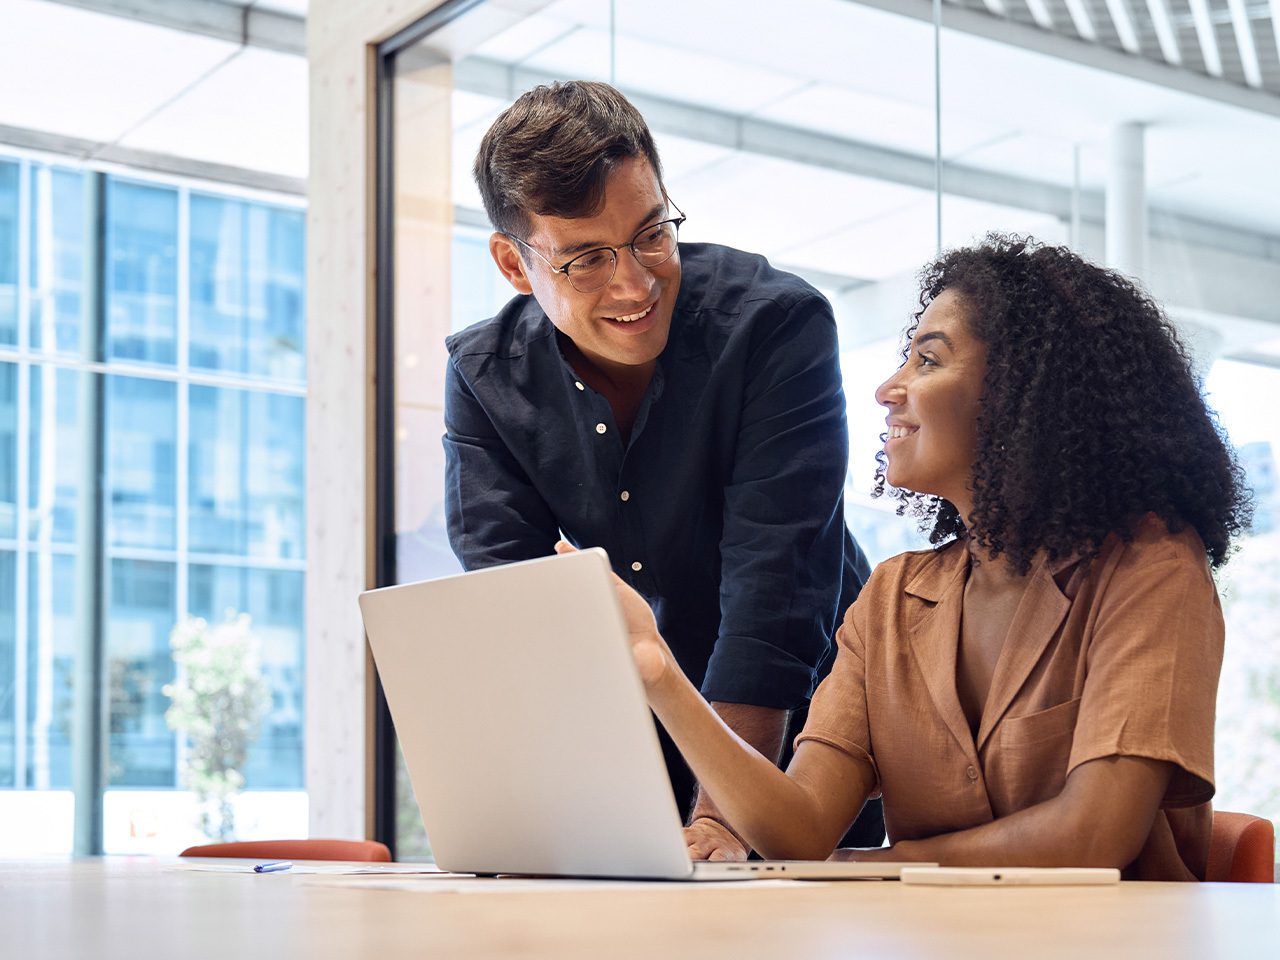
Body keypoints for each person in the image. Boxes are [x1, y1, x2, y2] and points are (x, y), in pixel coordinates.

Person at [587, 235, 1250, 879]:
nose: (888, 388)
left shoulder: (1150, 565)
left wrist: (889, 865)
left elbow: (1094, 835)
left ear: (1023, 394)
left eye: (927, 362)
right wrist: (660, 675)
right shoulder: (892, 598)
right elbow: (802, 827)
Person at [443, 80, 880, 856]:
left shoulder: (775, 328)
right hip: (627, 765)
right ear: (515, 263)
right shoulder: (486, 377)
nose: (636, 284)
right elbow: (517, 603)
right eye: (586, 260)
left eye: (652, 234)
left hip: (807, 754)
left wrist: (722, 814)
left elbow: (773, 593)